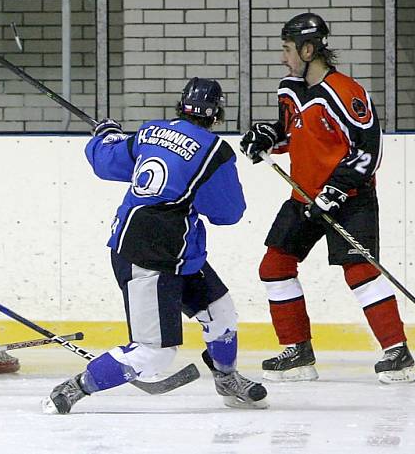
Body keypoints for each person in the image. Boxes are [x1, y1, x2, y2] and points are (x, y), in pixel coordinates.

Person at [42, 78, 268, 415]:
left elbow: (105, 162)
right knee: (154, 352)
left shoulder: (151, 132)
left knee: (220, 310)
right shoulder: (214, 151)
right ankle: (72, 389)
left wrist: (105, 135)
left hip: (172, 251)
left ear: (181, 105)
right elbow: (228, 213)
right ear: (217, 113)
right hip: (148, 256)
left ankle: (226, 379)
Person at [239, 13, 415, 384]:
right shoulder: (289, 88)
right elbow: (294, 134)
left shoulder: (347, 92)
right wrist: (268, 138)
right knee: (274, 267)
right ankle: (298, 353)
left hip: (351, 197)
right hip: (303, 196)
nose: (283, 57)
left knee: (361, 272)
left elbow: (368, 152)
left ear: (307, 49)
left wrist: (335, 191)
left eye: (288, 49)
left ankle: (396, 351)